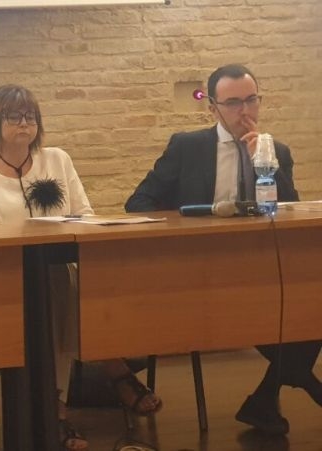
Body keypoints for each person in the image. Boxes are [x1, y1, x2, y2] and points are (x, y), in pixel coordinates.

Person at [0, 84, 161, 451]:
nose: (25, 124)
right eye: (14, 116)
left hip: (59, 268)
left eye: (31, 116)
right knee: (56, 294)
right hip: (7, 283)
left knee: (64, 287)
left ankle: (57, 408)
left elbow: (84, 214)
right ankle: (113, 371)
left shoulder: (57, 160)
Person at [126, 64, 322, 434]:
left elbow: (290, 212)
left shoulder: (276, 150)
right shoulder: (187, 147)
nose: (244, 111)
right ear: (213, 108)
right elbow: (138, 203)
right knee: (281, 316)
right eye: (233, 103)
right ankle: (296, 390)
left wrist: (264, 164)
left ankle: (265, 401)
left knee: (312, 305)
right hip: (198, 272)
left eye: (251, 100)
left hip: (261, 270)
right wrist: (187, 226)